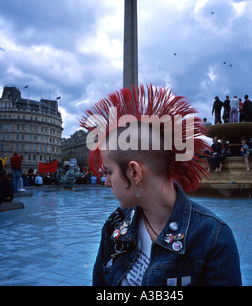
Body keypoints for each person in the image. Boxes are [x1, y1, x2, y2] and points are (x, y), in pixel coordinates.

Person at [82, 84, 242, 286]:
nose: (105, 183)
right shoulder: (114, 226)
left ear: (134, 172)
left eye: (108, 172)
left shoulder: (213, 238)